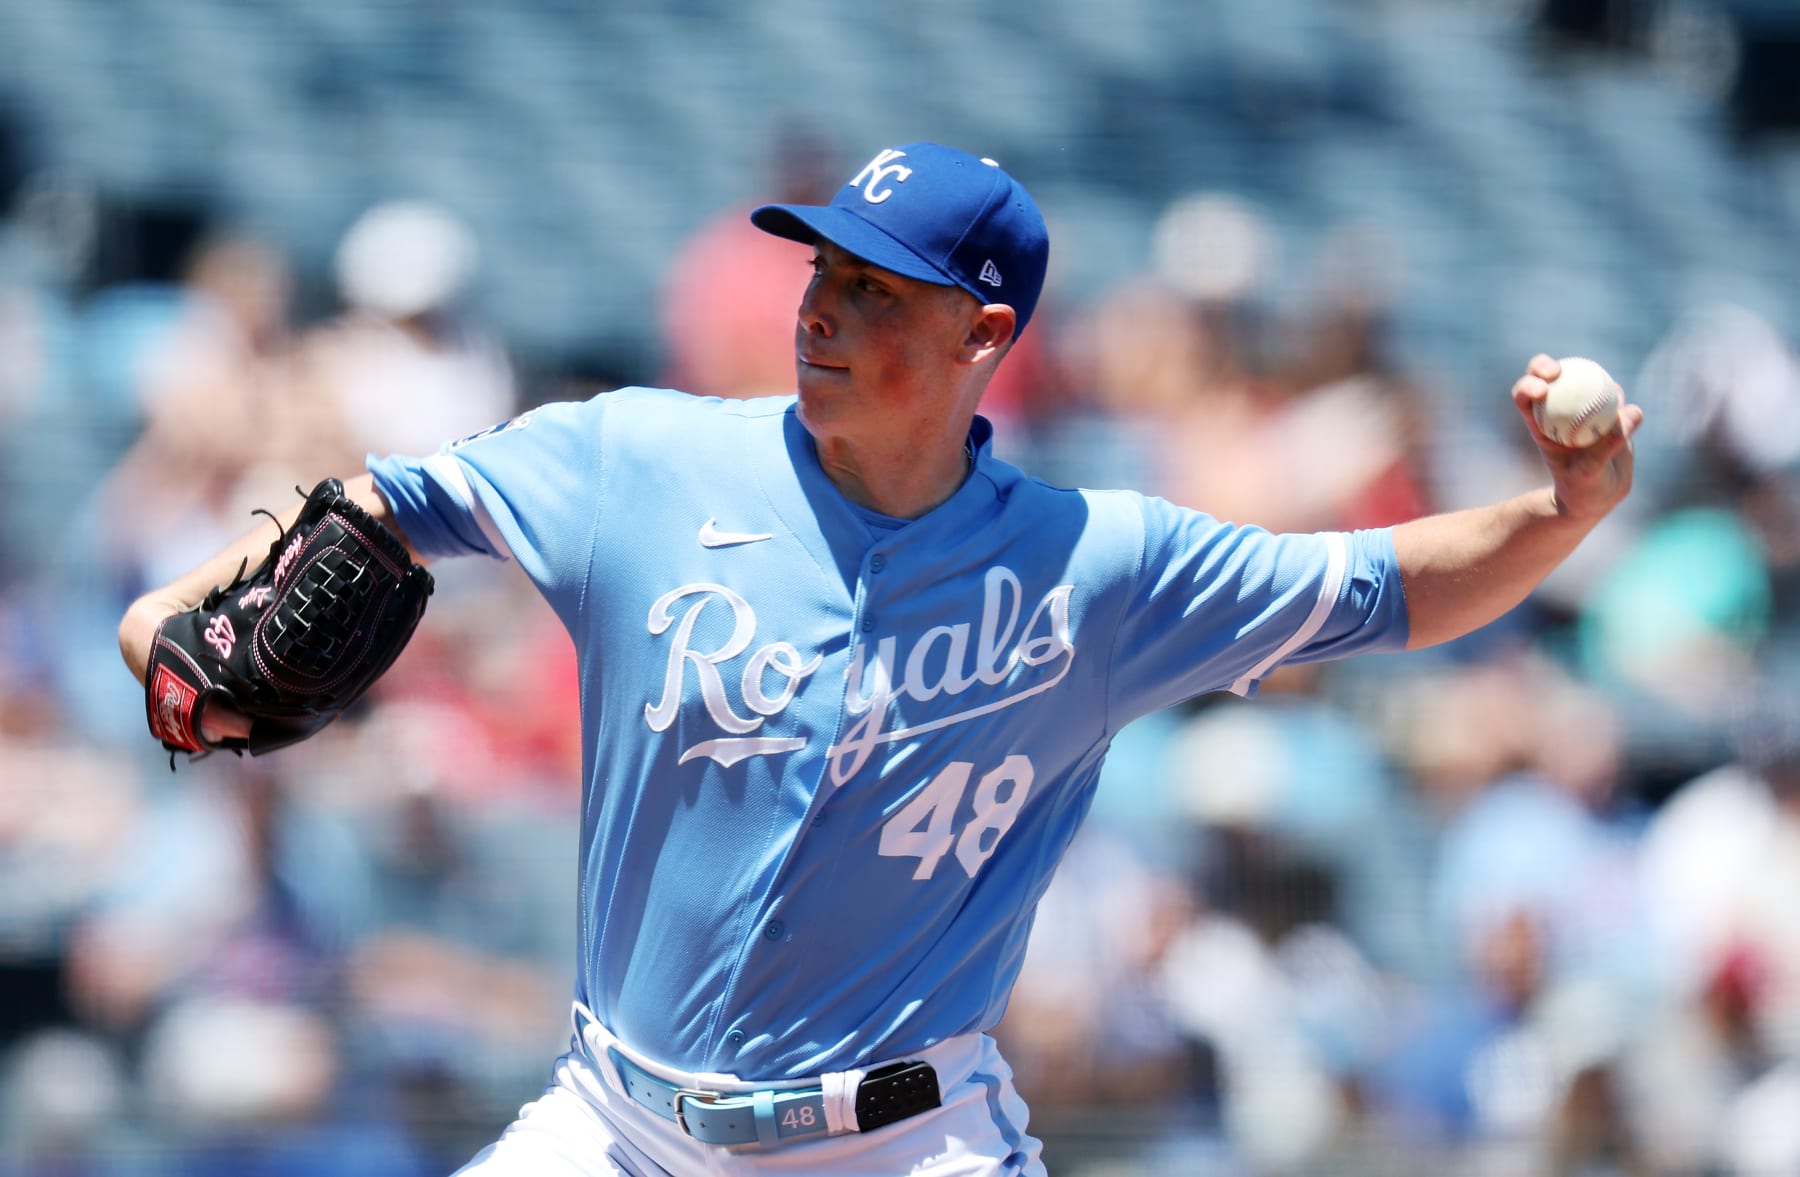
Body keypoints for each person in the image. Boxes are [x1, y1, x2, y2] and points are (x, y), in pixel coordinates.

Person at [117, 142, 1642, 1176]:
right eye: (820, 277)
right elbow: (384, 503)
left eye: (875, 291)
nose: (824, 314)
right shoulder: (637, 459)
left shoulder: (1093, 564)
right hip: (617, 1125)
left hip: (899, 1145)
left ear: (984, 332)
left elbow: (1380, 586)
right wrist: (182, 595)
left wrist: (1557, 513)